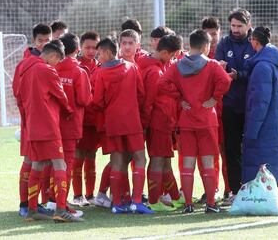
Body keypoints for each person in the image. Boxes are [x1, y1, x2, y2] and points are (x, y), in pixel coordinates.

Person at [159, 29, 231, 213]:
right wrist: (214, 98)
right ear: (206, 46)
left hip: (187, 119)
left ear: (190, 45)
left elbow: (162, 84)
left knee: (187, 164)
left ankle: (188, 204)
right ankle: (211, 205)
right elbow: (225, 81)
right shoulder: (213, 65)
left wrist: (179, 98)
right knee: (208, 163)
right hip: (207, 119)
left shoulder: (176, 65)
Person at [19, 41, 82, 222]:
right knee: (60, 164)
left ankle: (32, 210)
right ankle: (61, 210)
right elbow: (61, 95)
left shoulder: (25, 69)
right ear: (54, 56)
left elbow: (20, 97)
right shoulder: (47, 70)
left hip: (32, 125)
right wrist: (69, 110)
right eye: (58, 61)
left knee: (37, 165)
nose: (57, 65)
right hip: (48, 125)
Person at [93, 37, 153, 214]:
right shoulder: (132, 68)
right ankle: (136, 201)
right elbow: (141, 95)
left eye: (99, 54)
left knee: (117, 161)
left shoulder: (100, 73)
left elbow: (97, 102)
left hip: (113, 122)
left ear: (106, 53)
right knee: (140, 159)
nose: (98, 58)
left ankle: (118, 203)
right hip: (132, 121)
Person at [214, 8, 255, 202]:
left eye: (239, 26)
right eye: (233, 26)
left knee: (251, 147)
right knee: (231, 148)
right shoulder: (224, 43)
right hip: (230, 105)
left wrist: (239, 75)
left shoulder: (255, 42)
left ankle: (254, 188)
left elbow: (257, 69)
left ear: (248, 25)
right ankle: (236, 191)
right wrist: (222, 71)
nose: (235, 29)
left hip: (250, 104)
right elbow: (217, 69)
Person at [13, 23, 52, 217]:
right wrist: (27, 115)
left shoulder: (50, 61)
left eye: (47, 40)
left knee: (38, 161)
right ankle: (26, 205)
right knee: (32, 160)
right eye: (40, 41)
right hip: (33, 121)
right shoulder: (26, 63)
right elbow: (17, 93)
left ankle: (32, 204)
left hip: (42, 121)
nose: (44, 44)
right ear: (33, 41)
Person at [139, 35, 182, 212]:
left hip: (164, 121)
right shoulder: (155, 72)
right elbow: (148, 101)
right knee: (158, 160)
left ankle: (176, 198)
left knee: (165, 160)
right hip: (159, 122)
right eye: (172, 56)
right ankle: (154, 201)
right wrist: (145, 123)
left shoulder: (156, 65)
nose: (172, 60)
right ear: (164, 52)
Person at [242, 26, 278, 186]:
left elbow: (260, 103)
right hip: (273, 123)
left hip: (263, 126)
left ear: (254, 42)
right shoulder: (273, 63)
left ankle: (263, 199)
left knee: (262, 162)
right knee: (273, 161)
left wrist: (251, 132)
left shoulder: (261, 67)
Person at [56, 33, 92, 209]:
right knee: (66, 164)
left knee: (49, 163)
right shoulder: (79, 71)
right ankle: (62, 204)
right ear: (78, 50)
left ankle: (48, 201)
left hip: (52, 124)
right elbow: (85, 99)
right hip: (71, 125)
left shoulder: (51, 68)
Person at [201, 16, 230, 202]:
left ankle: (229, 188)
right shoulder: (198, 57)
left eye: (214, 33)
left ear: (219, 32)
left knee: (226, 152)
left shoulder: (226, 51)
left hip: (226, 112)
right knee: (207, 154)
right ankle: (212, 189)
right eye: (208, 34)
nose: (212, 38)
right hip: (206, 114)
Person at [72, 31, 103, 207]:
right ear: (80, 48)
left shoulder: (100, 65)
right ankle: (77, 195)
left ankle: (90, 195)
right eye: (87, 47)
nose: (91, 51)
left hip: (94, 120)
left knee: (91, 156)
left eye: (94, 47)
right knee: (78, 157)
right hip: (79, 120)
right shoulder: (76, 66)